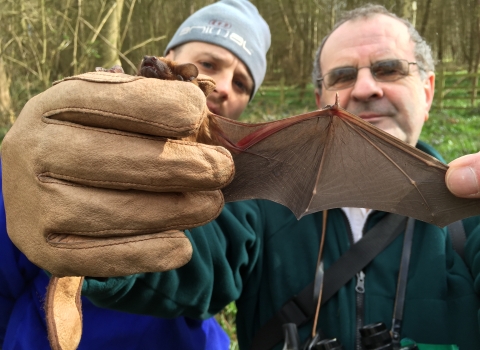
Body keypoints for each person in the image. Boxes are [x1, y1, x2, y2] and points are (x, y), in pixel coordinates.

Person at [2, 3, 480, 350]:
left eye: (388, 69)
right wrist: (89, 209)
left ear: (429, 88)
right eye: (341, 76)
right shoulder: (259, 201)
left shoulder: (468, 221)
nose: (365, 87)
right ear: (321, 99)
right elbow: (202, 257)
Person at [0, 0, 270, 349]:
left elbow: (218, 263)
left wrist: (114, 254)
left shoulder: (237, 176)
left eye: (242, 83)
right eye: (205, 64)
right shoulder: (65, 134)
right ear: (169, 55)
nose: (222, 85)